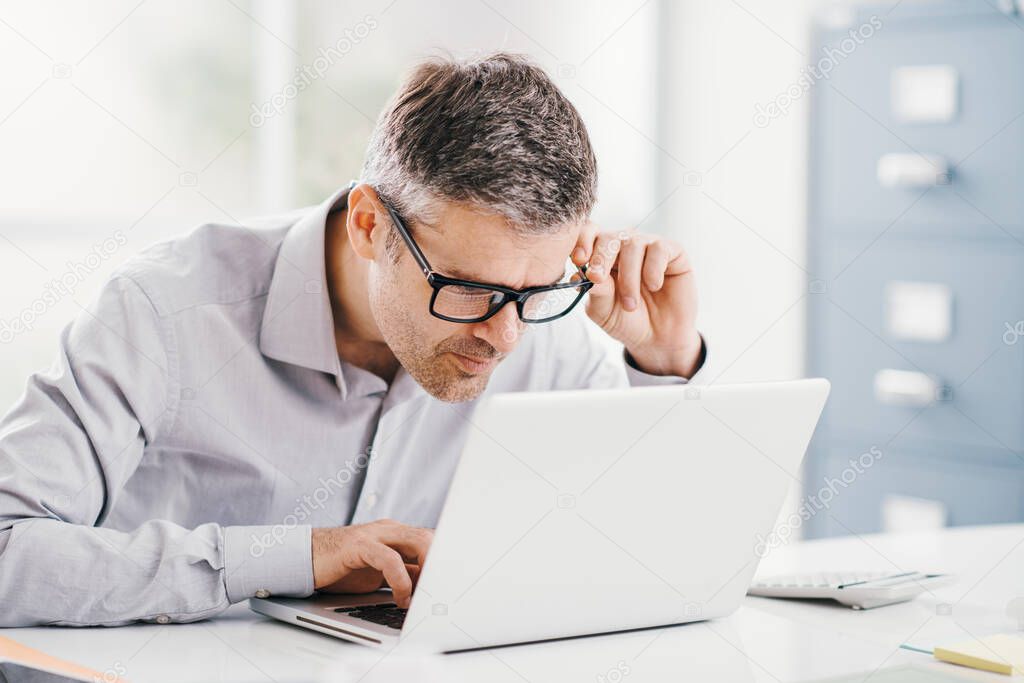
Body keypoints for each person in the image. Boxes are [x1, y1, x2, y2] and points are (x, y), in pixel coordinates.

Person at [0, 52, 707, 626]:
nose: (504, 336)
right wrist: (295, 556)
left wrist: (663, 365)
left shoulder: (541, 325)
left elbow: (647, 572)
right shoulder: (166, 313)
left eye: (534, 292)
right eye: (468, 288)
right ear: (371, 225)